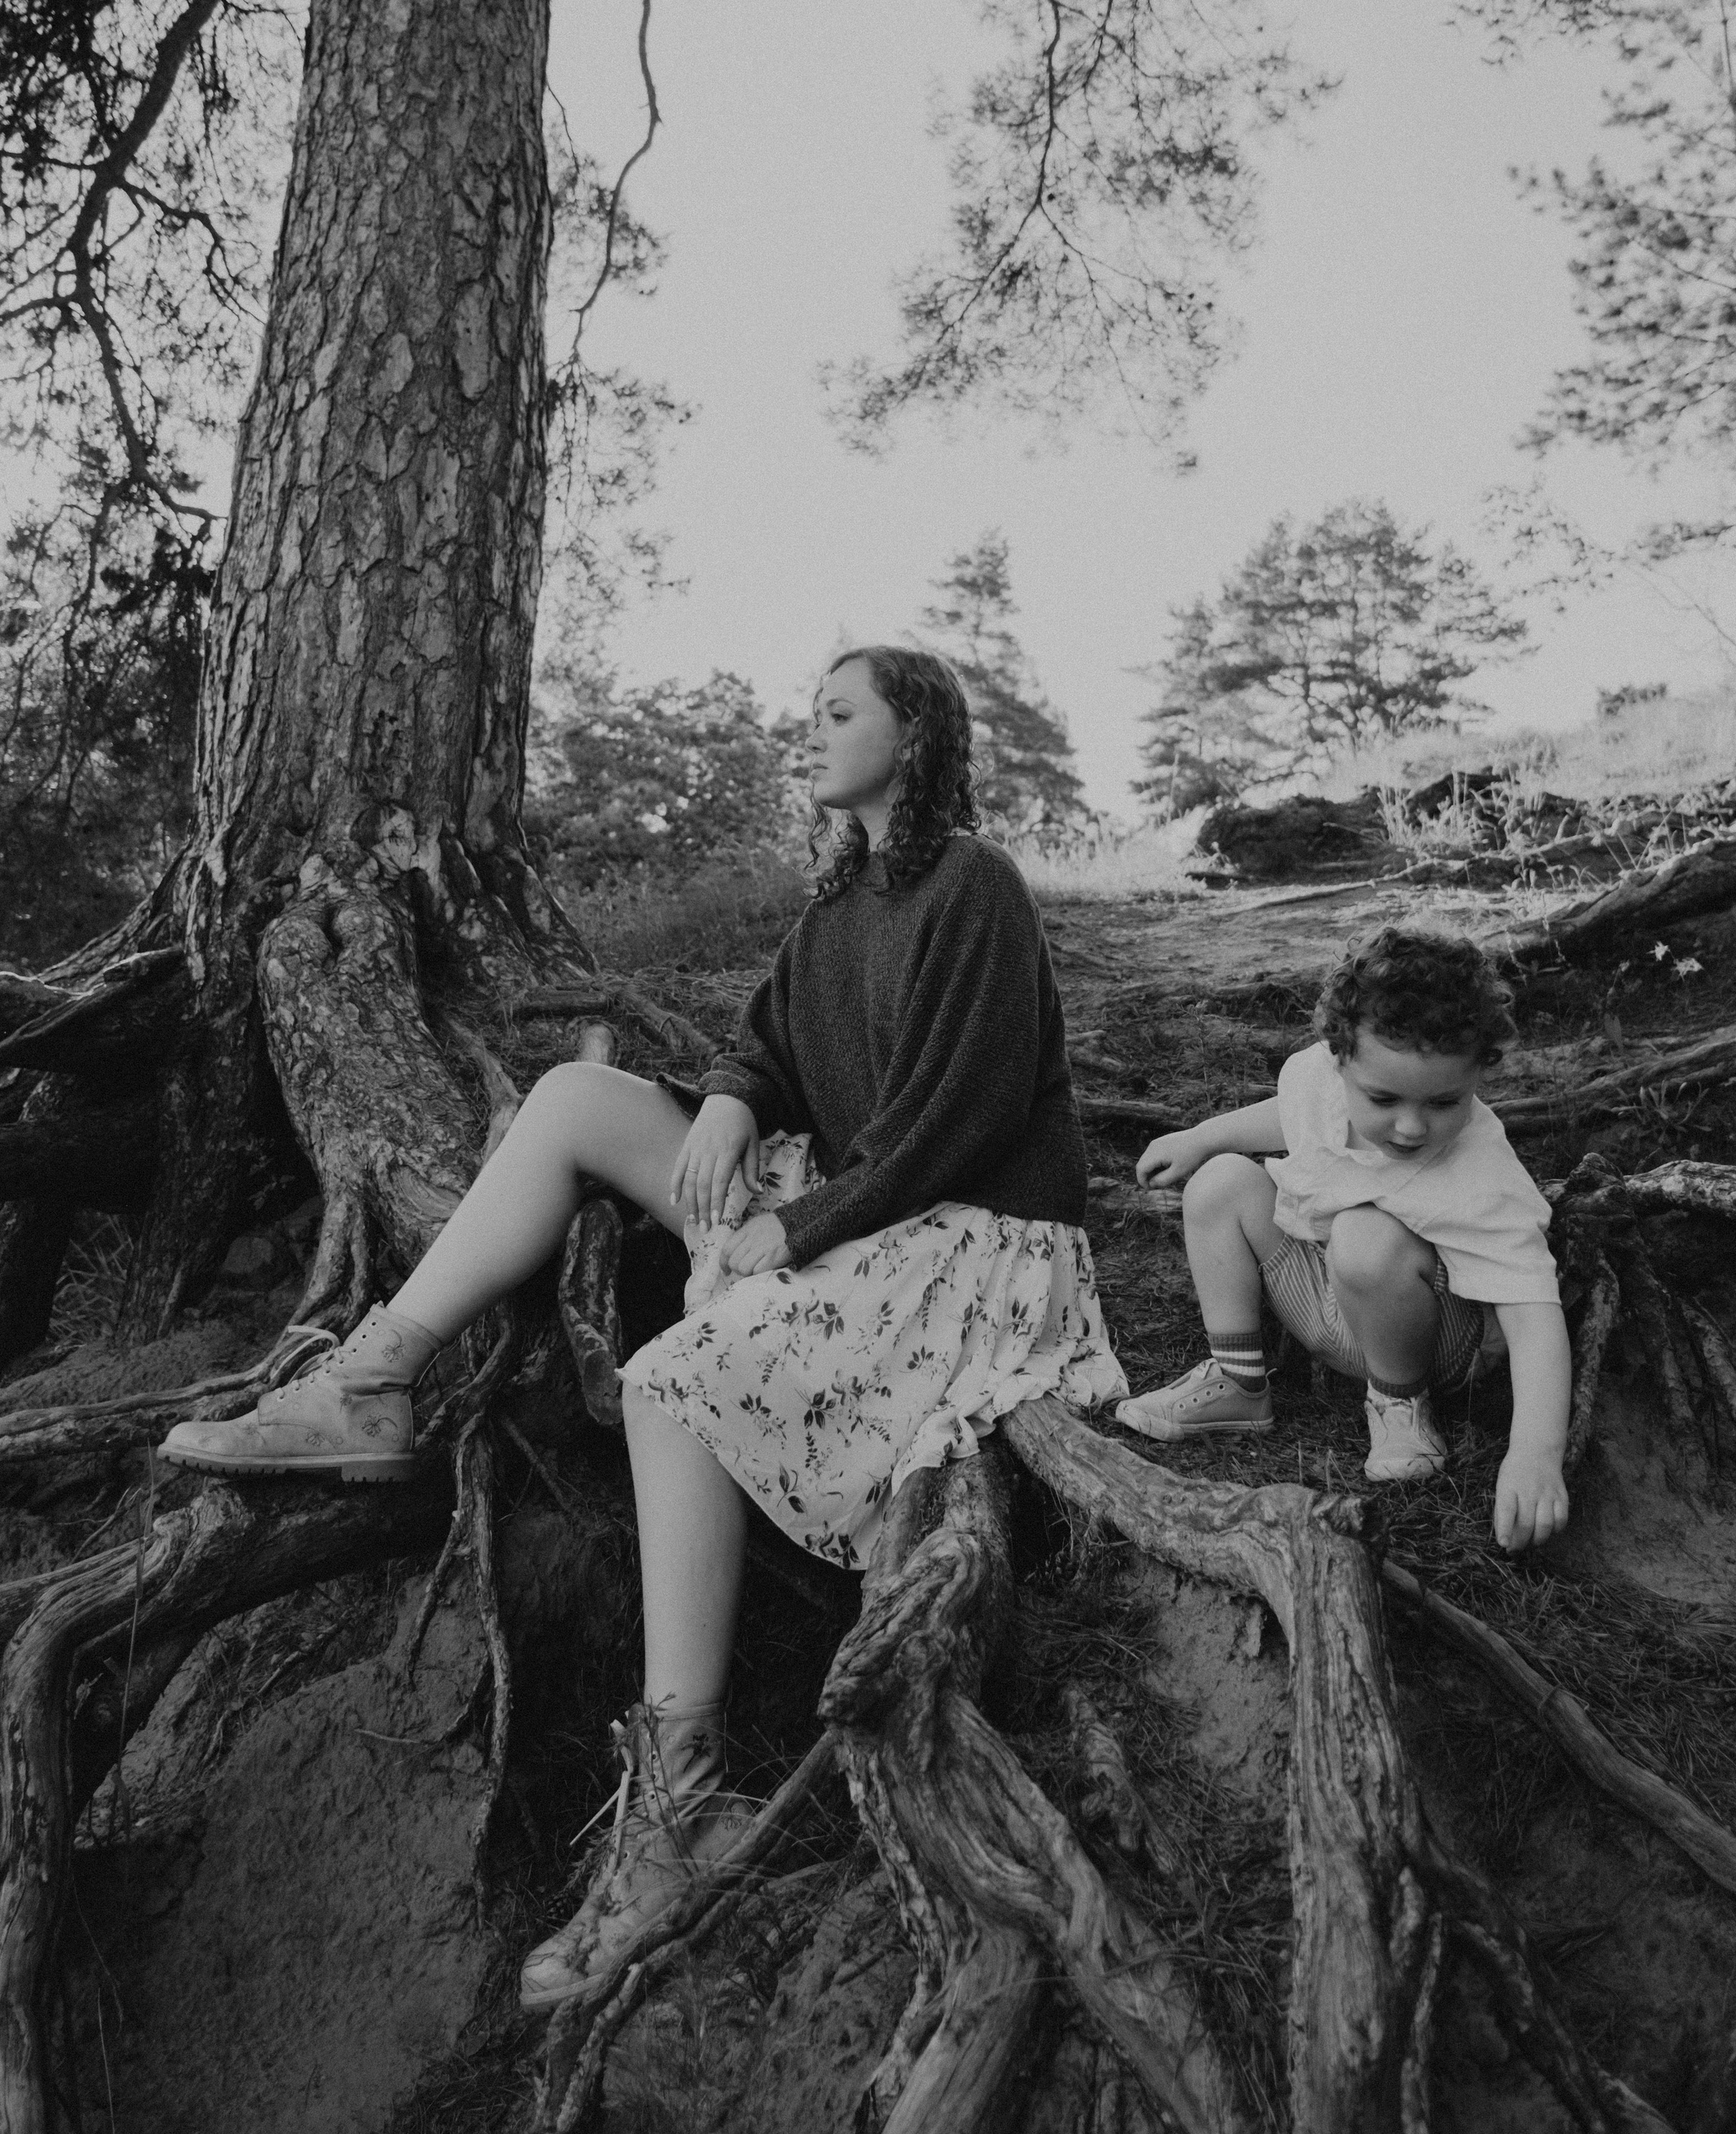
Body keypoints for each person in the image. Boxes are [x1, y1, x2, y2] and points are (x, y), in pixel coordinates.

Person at [159, 645, 1125, 2011]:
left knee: (669, 1379)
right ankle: (373, 1376)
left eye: (838, 707)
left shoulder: (974, 885)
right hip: (863, 1200)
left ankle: (679, 1808)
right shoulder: (838, 901)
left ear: (912, 736)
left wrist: (792, 1231)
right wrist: (730, 1096)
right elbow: (769, 1041)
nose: (814, 726)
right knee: (570, 1102)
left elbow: (957, 1116)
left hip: (975, 1238)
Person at [1114, 925, 1569, 1552]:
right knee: (1220, 1183)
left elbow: (1535, 1316)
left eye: (1443, 1102)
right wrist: (1201, 1138)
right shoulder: (1322, 1079)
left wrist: (1535, 1453)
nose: (1411, 1127)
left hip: (1431, 1337)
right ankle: (1240, 1381)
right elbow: (1292, 1113)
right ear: (1340, 1059)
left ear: (1479, 1072)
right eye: (1382, 1098)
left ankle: (1400, 1409)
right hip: (1329, 1299)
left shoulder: (1482, 1173)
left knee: (1364, 1233)